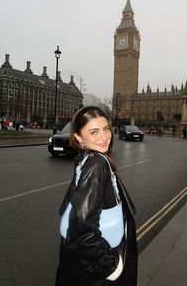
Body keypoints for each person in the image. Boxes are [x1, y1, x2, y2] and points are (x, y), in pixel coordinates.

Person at [55, 106, 138, 286]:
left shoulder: (86, 158)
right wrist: (111, 266)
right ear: (78, 137)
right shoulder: (97, 164)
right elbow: (82, 233)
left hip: (76, 267)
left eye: (106, 129)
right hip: (97, 276)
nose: (104, 136)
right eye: (94, 132)